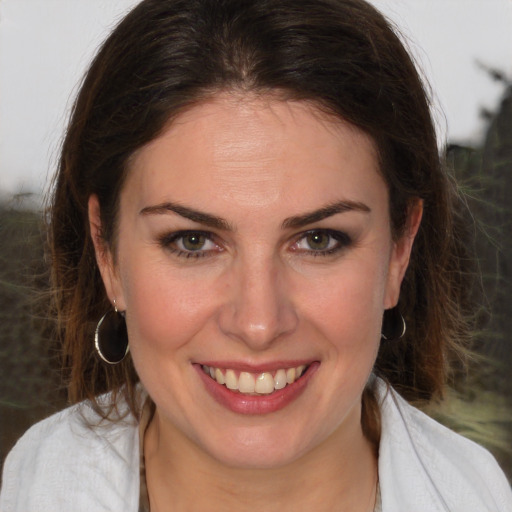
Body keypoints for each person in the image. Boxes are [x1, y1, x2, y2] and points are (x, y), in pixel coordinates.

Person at [1, 0, 511, 510]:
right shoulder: (28, 488)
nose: (259, 324)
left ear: (399, 251)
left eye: (319, 240)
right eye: (193, 241)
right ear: (106, 253)